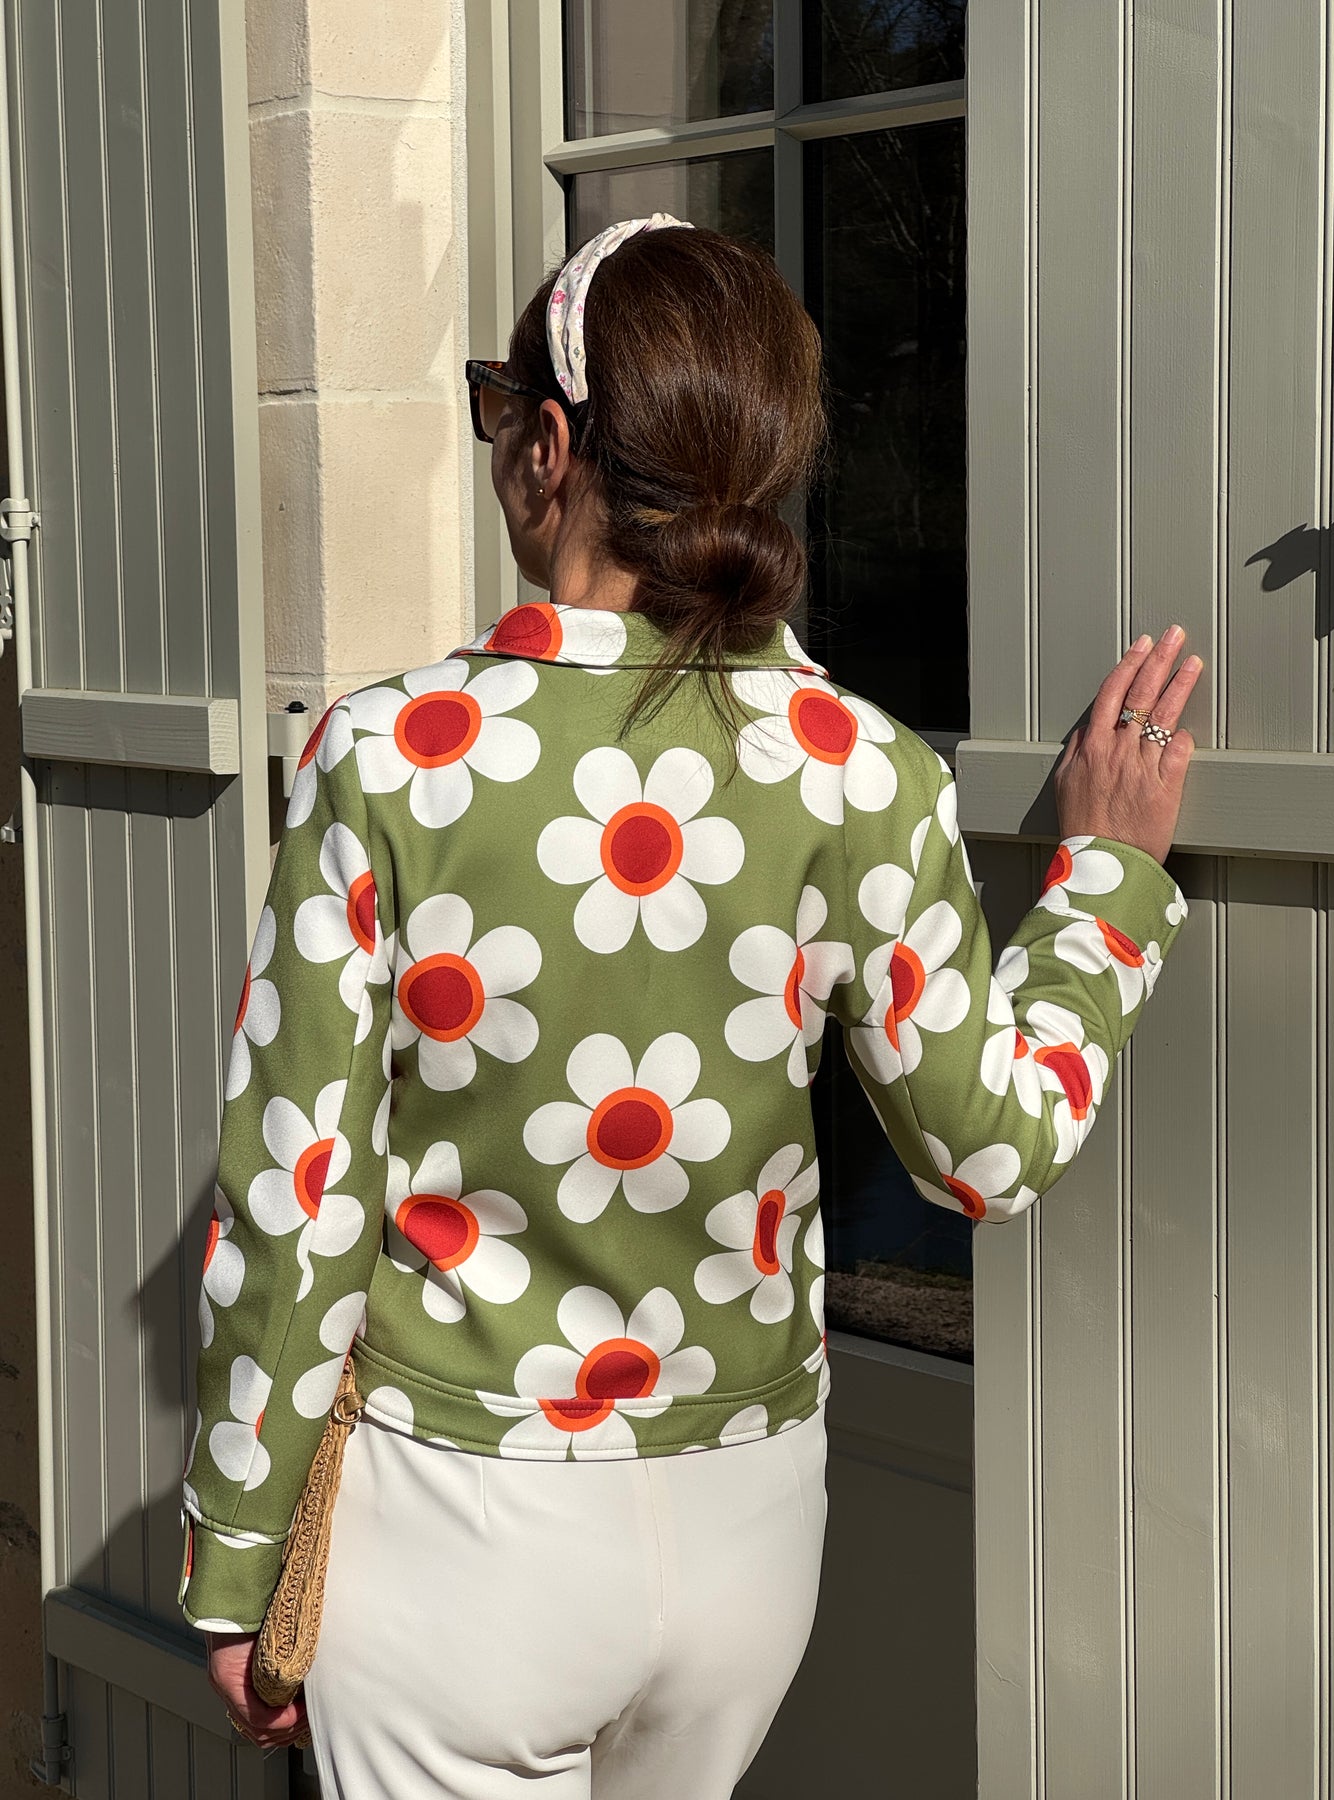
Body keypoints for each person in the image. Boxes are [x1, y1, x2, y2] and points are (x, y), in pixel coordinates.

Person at [180, 216, 1200, 1798]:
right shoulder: (862, 768)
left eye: (498, 406)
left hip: (460, 1535)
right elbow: (988, 1149)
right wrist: (1108, 887)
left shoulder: (387, 757)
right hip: (745, 1529)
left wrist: (236, 1562)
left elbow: (297, 1195)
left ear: (550, 446)